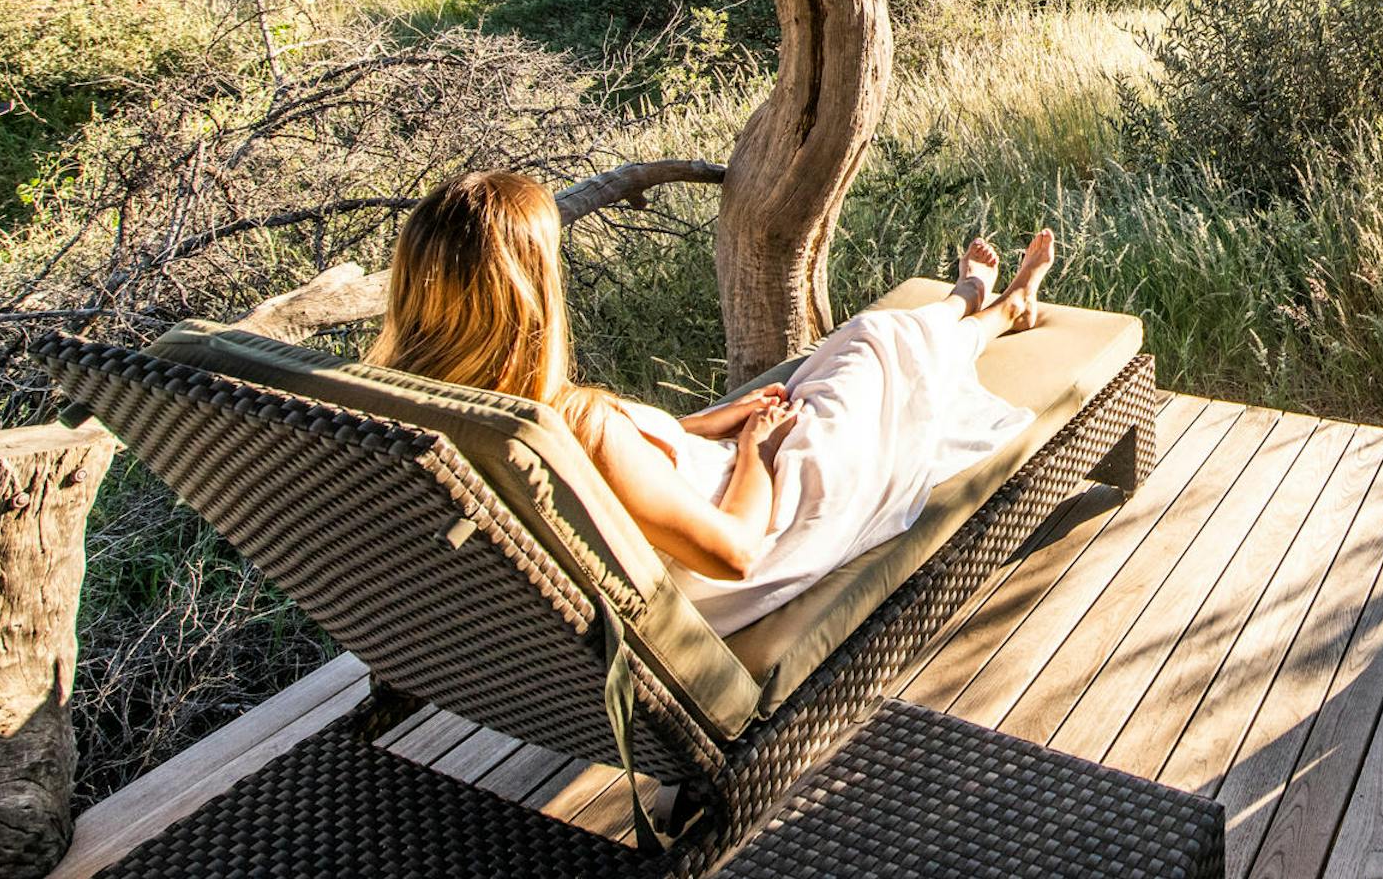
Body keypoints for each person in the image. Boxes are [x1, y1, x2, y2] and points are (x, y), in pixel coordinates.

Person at [370, 169, 1048, 632]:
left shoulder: (410, 416)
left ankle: (977, 304)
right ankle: (988, 307)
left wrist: (698, 428)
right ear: (525, 297)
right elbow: (734, 555)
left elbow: (622, 487)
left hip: (718, 478)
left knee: (847, 358)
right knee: (873, 340)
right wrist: (755, 450)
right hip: (776, 514)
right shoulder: (577, 425)